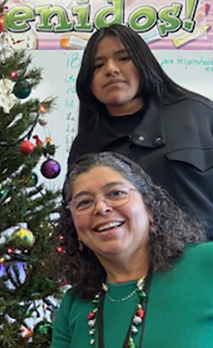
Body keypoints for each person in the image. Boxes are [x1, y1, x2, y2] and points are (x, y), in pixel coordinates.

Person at [51, 152, 213, 348]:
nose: (101, 208)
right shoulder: (73, 304)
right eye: (84, 202)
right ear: (74, 227)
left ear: (149, 208)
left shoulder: (206, 263)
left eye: (116, 193)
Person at [69, 24, 213, 238]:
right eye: (98, 65)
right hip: (129, 269)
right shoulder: (85, 146)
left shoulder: (196, 113)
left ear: (144, 63)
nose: (111, 69)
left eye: (124, 58)